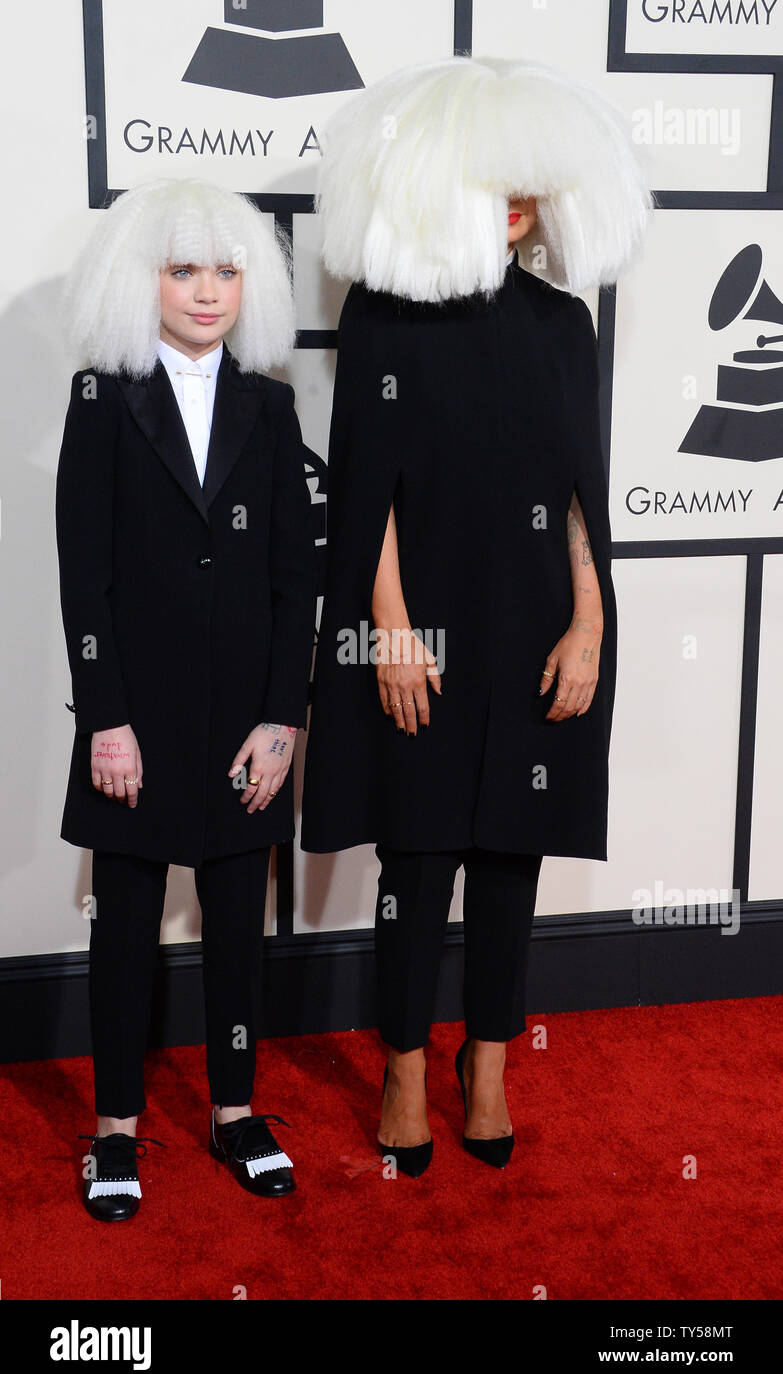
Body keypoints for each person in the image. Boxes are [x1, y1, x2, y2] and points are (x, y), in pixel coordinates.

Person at [300, 57, 653, 1176]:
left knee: (514, 853)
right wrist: (391, 626)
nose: (513, 200)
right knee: (419, 852)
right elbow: (366, 492)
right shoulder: (386, 317)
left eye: (527, 183)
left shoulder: (563, 323)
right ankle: (406, 1063)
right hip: (424, 619)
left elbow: (584, 491)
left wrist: (592, 616)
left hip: (540, 619)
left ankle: (487, 1063)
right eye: (489, 178)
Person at [56, 177, 319, 1219]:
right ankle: (116, 1129)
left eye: (225, 270)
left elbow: (296, 577)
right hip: (138, 721)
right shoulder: (102, 395)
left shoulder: (271, 401)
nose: (207, 292)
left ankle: (236, 1111)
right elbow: (87, 577)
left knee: (236, 927)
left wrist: (282, 717)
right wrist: (105, 719)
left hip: (243, 721)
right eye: (182, 269)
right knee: (124, 923)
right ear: (143, 278)